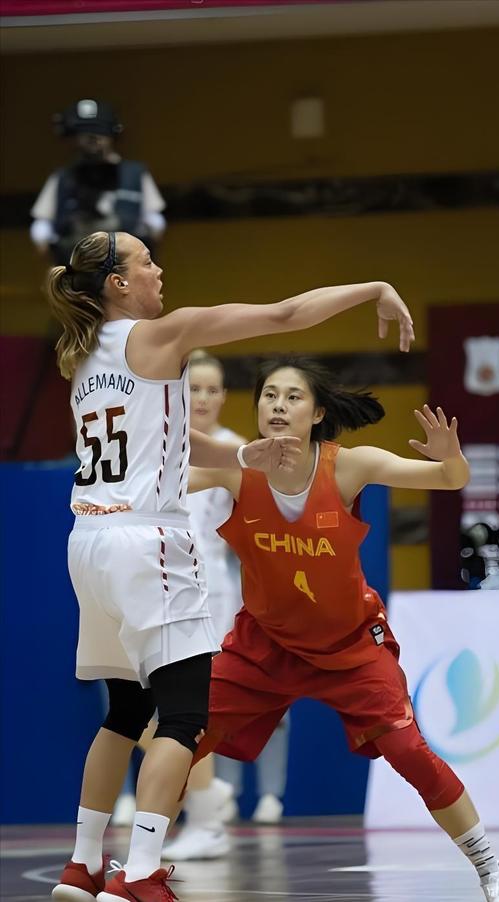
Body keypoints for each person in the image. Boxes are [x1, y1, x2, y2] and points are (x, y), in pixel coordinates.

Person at [44, 230, 414, 902]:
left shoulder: (82, 353)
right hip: (147, 542)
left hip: (88, 540)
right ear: (118, 283)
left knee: (123, 712)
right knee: (184, 718)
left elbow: (163, 436)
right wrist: (373, 288)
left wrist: (242, 458)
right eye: (146, 261)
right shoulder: (164, 334)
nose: (159, 269)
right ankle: (141, 874)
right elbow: (284, 315)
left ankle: (82, 865)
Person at [185, 356, 499, 902]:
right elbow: (162, 481)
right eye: (269, 395)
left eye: (293, 396)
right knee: (177, 734)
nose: (278, 405)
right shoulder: (237, 469)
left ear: (318, 413)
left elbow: (450, 479)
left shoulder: (348, 466)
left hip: (350, 647)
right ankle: (135, 867)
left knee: (410, 752)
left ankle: (493, 870)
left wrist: (450, 457)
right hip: (265, 645)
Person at [162, 353, 289, 862]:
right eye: (193, 388)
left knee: (206, 701)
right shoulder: (159, 440)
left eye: (212, 389)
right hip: (155, 578)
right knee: (152, 705)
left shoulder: (239, 451)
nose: (203, 398)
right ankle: (203, 797)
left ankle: (212, 810)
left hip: (211, 585)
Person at [31, 100, 166, 265]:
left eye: (99, 131)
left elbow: (154, 221)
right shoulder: (63, 177)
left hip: (125, 265)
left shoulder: (134, 174)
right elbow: (42, 224)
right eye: (84, 133)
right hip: (77, 265)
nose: (92, 138)